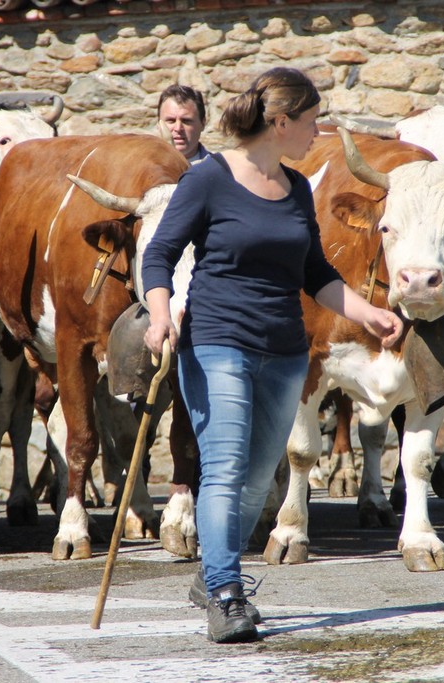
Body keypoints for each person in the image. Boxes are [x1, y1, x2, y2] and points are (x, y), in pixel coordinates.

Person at [141, 67, 404, 644]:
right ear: (281, 122)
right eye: (311, 122)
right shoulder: (209, 177)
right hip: (217, 343)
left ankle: (213, 574)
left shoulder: (296, 187)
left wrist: (370, 313)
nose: (317, 133)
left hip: (285, 352)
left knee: (259, 481)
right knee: (227, 467)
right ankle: (228, 594)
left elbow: (315, 274)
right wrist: (160, 315)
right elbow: (159, 254)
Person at [157, 84, 210, 164]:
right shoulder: (141, 169)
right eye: (171, 120)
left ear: (203, 123)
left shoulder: (220, 171)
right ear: (159, 124)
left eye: (186, 121)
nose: (178, 128)